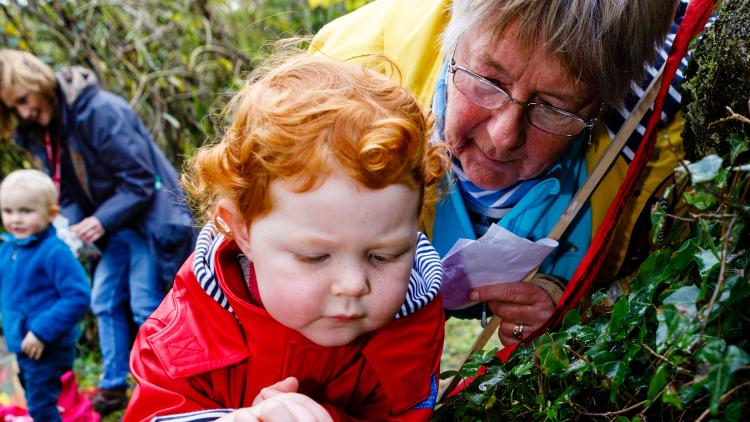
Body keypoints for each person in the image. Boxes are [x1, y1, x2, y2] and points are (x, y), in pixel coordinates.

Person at [312, 0, 687, 345]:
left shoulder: (658, 141)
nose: (504, 136)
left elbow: (671, 278)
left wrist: (584, 308)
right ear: (452, 36)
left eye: (553, 108)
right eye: (489, 81)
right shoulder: (342, 77)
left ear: (599, 106)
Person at [123, 52, 449, 421]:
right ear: (242, 230)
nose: (353, 285)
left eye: (384, 255)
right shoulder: (191, 327)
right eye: (314, 256)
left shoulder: (410, 327)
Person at [0, 50, 195, 414]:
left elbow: (140, 181)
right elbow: (69, 191)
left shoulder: (100, 111)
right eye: (15, 108)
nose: (24, 113)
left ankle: (168, 386)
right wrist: (69, 225)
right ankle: (113, 386)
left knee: (144, 305)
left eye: (24, 100)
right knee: (103, 300)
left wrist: (100, 220)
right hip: (116, 228)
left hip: (147, 221)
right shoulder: (49, 129)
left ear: (37, 82)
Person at [0, 169, 91, 422]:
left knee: (41, 405)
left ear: (51, 213)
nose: (16, 219)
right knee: (35, 397)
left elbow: (77, 296)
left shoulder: (54, 252)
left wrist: (41, 331)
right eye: (8, 211)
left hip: (46, 346)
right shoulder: (9, 248)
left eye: (26, 211)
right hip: (22, 344)